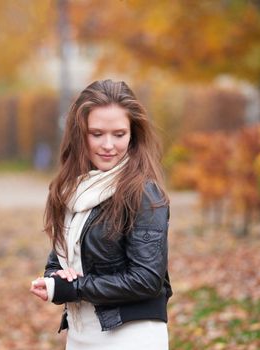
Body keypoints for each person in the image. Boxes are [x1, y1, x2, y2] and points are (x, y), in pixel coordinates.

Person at [30, 79, 172, 349]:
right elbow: (61, 257)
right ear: (79, 134)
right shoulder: (73, 189)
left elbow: (147, 279)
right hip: (81, 333)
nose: (108, 145)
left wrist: (75, 288)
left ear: (133, 135)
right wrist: (55, 278)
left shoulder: (143, 194)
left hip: (131, 335)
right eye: (97, 133)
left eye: (119, 134)